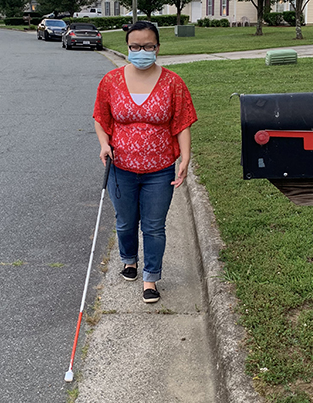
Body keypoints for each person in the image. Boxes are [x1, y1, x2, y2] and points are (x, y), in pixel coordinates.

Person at [93, 21, 197, 303]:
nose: (141, 51)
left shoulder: (173, 82)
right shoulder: (111, 81)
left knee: (153, 226)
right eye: (135, 46)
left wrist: (185, 157)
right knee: (126, 222)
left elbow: (182, 122)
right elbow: (101, 118)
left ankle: (151, 278)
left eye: (148, 46)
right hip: (121, 168)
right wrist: (104, 144)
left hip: (159, 169)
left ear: (157, 48)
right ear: (128, 47)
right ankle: (129, 260)